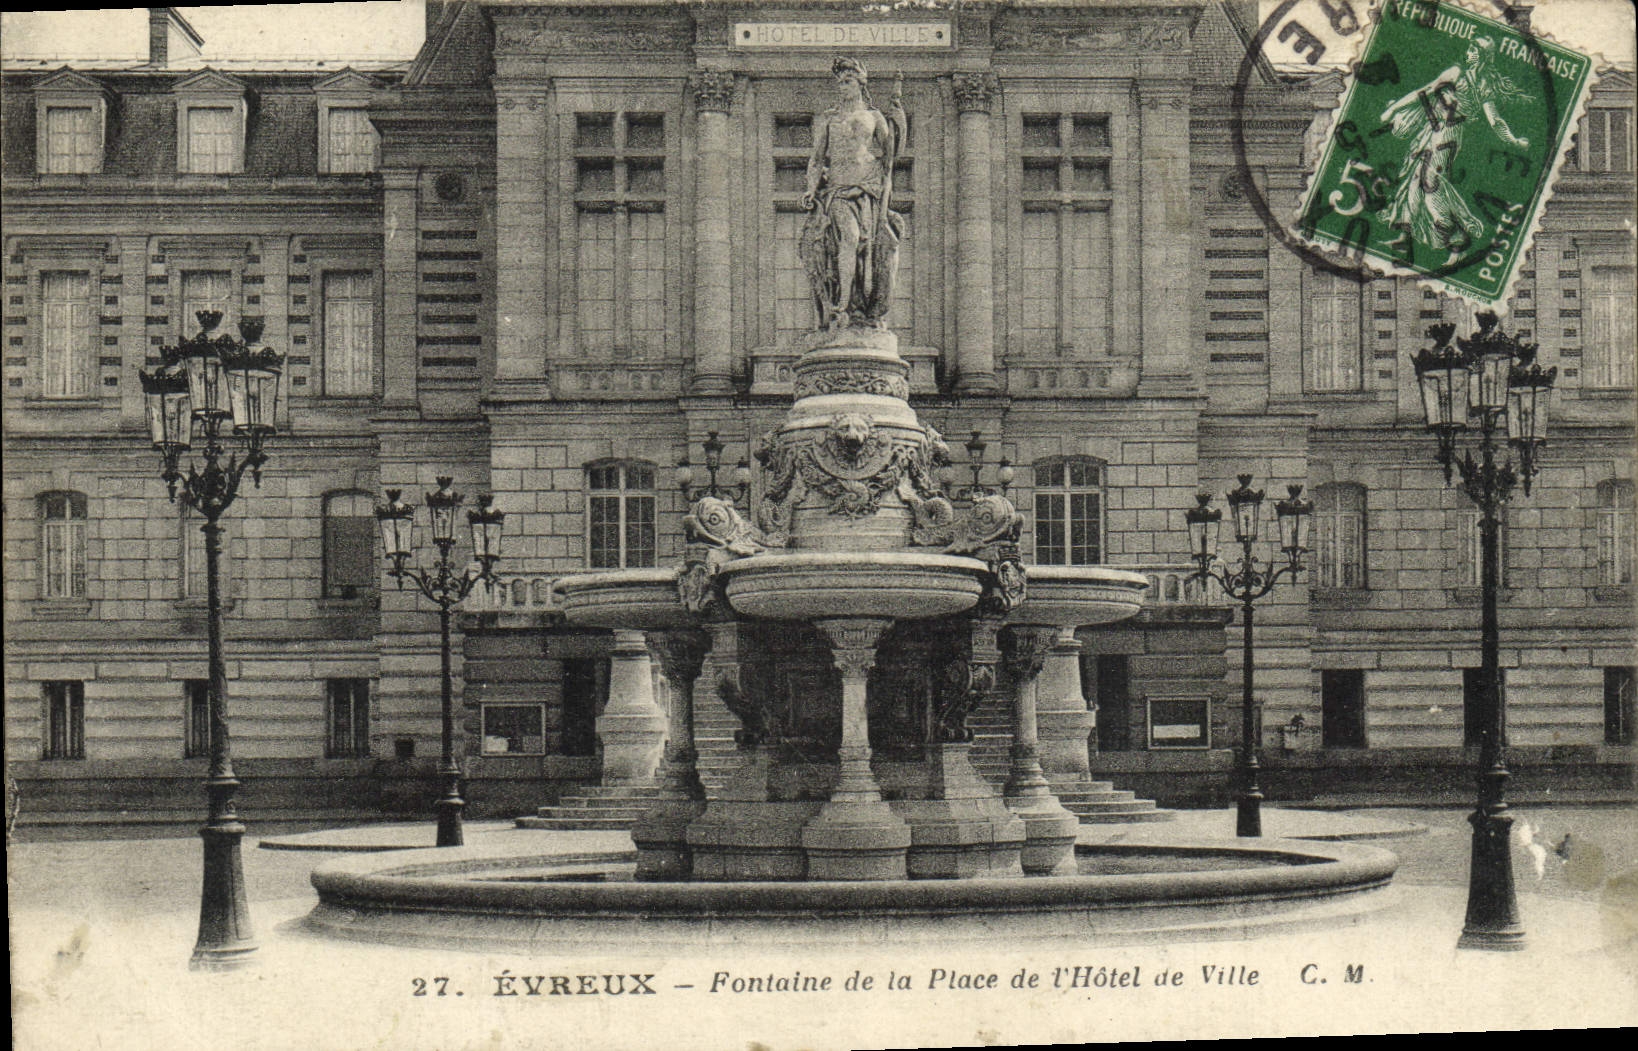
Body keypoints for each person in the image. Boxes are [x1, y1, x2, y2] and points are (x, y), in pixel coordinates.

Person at [1376, 36, 1532, 267]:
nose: (1468, 52)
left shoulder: (1480, 83)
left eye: (1472, 49)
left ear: (1481, 55)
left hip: (1446, 138)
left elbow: (1495, 120)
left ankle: (1459, 242)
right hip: (1432, 131)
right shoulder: (1457, 73)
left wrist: (1514, 140)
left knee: (1431, 187)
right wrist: (1393, 109)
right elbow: (1425, 91)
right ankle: (1404, 238)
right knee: (1414, 182)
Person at [799, 56, 908, 330]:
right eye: (840, 82)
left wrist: (900, 124)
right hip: (837, 189)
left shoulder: (874, 117)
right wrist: (811, 189)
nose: (842, 87)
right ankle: (842, 305)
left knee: (868, 253)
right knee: (848, 237)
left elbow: (891, 154)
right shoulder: (830, 119)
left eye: (847, 82)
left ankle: (860, 307)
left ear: (860, 84)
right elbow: (816, 159)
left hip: (868, 189)